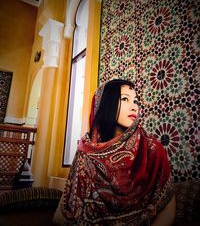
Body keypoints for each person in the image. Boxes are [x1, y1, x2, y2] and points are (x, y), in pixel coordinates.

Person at [53, 79, 176, 226]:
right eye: (125, 99)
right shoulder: (85, 153)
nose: (134, 107)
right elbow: (64, 212)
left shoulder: (153, 150)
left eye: (136, 101)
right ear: (106, 103)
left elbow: (168, 207)